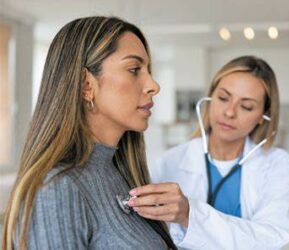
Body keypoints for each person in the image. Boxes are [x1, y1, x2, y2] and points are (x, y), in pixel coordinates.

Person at [1, 16, 177, 250]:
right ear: (86, 85)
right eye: (134, 69)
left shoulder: (118, 173)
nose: (153, 85)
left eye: (148, 70)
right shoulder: (56, 189)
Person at [127, 56, 289, 249]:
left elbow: (270, 238)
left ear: (263, 116)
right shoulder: (171, 161)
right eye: (223, 98)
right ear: (210, 99)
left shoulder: (278, 166)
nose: (229, 112)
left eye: (246, 106)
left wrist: (190, 214)